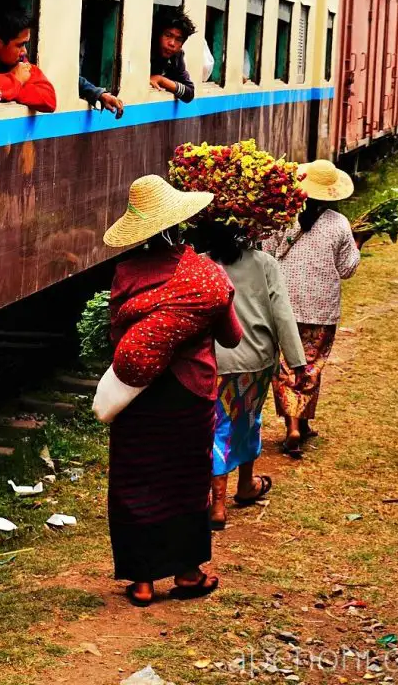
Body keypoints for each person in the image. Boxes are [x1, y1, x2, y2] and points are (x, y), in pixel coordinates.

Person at [93, 175, 242, 607]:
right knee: (185, 478)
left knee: (134, 478)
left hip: (136, 394)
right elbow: (231, 338)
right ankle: (188, 573)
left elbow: (116, 336)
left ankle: (140, 581)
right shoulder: (207, 275)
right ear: (181, 224)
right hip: (189, 393)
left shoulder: (124, 272)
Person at [198, 222, 306, 530]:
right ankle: (245, 485)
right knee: (248, 421)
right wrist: (297, 362)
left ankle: (217, 503)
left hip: (213, 362)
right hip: (256, 362)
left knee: (218, 427)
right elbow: (282, 312)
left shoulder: (200, 264)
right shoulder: (264, 263)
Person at [263, 160, 360, 458]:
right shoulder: (340, 224)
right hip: (321, 308)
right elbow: (347, 269)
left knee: (287, 365)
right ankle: (299, 425)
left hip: (283, 304)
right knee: (310, 364)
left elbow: (266, 255)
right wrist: (358, 244)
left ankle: (295, 426)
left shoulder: (282, 218)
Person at [0, 11, 56, 112]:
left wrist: (11, 89)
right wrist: (17, 79)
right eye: (20, 45)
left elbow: (49, 100)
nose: (24, 51)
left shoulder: (22, 66)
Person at [150, 12, 196, 102]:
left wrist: (161, 80)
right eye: (168, 35)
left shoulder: (176, 58)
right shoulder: (146, 51)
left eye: (178, 39)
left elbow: (189, 93)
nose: (172, 43)